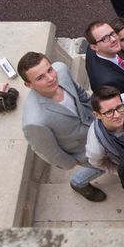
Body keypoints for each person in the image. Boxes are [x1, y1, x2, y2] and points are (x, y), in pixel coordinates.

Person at [18, 52, 105, 201]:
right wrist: (74, 162)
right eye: (40, 77)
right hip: (83, 150)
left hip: (97, 125)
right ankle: (79, 183)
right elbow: (52, 154)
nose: (51, 78)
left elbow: (80, 93)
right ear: (28, 85)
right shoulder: (35, 122)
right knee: (99, 167)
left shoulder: (61, 70)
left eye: (49, 70)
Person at [84, 20, 124, 106]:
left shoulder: (95, 48)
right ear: (94, 47)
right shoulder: (108, 82)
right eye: (105, 38)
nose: (113, 39)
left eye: (112, 33)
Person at [86, 85, 124, 173]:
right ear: (97, 115)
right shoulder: (96, 148)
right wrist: (123, 171)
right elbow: (99, 163)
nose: (117, 115)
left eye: (119, 107)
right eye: (109, 112)